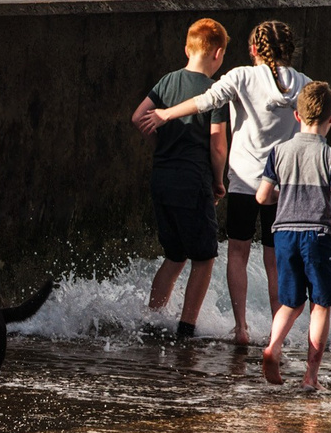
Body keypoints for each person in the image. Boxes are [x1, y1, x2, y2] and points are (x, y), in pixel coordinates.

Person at [136, 19, 307, 349]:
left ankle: (240, 327)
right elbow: (323, 112)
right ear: (289, 49)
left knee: (237, 255)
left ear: (253, 49)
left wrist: (166, 114)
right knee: (274, 261)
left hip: (244, 182)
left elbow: (205, 101)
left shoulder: (241, 76)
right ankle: (277, 331)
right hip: (280, 186)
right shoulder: (303, 83)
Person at [256, 80, 331, 394]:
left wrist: (282, 197)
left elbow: (262, 197)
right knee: (320, 305)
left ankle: (273, 346)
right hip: (318, 235)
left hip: (283, 234)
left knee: (290, 303)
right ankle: (310, 376)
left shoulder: (278, 152)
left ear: (297, 116)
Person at [130, 18, 229, 338]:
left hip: (162, 177)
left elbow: (137, 116)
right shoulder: (214, 92)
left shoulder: (167, 81)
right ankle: (186, 327)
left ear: (187, 49)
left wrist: (161, 147)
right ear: (218, 53)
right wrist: (219, 180)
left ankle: (153, 319)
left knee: (174, 256)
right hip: (193, 179)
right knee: (205, 256)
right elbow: (217, 146)